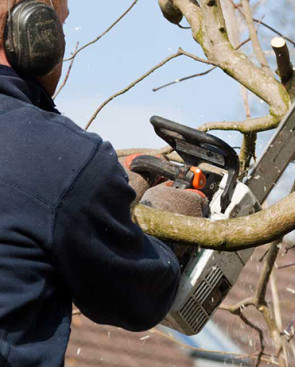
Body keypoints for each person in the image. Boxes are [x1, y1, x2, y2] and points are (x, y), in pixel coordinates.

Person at [0, 1, 183, 366]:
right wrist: (167, 225)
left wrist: (97, 188)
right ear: (35, 32)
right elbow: (140, 297)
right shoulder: (59, 157)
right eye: (59, 26)